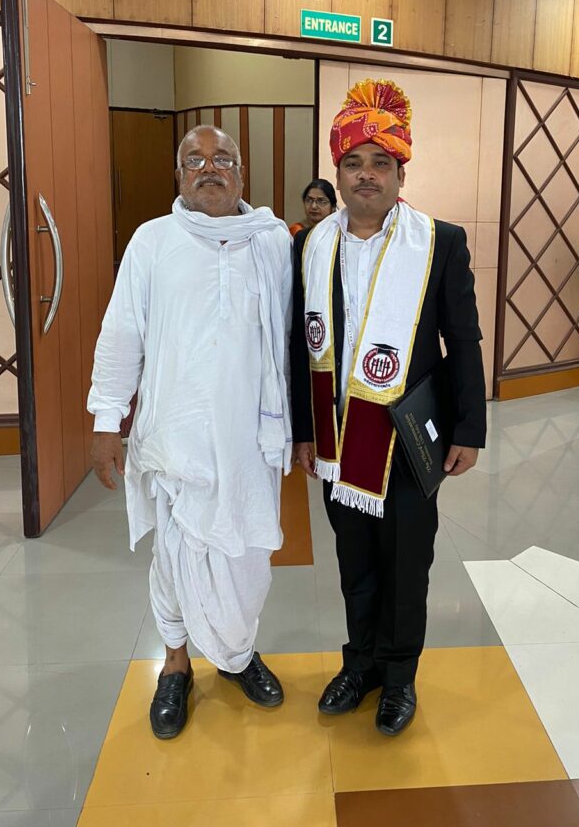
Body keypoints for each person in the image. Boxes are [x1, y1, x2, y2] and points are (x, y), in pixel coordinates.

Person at [290, 80, 486, 737]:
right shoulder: (311, 245)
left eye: (380, 162)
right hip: (338, 436)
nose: (366, 174)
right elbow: (299, 344)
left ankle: (399, 675)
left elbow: (462, 339)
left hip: (406, 434)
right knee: (355, 561)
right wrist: (303, 430)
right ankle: (362, 664)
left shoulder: (439, 242)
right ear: (338, 172)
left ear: (402, 172)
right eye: (353, 162)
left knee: (406, 562)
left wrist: (469, 428)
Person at [88, 125, 292, 740]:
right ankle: (175, 663)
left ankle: (237, 654)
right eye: (195, 160)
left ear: (241, 173)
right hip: (175, 439)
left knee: (247, 557)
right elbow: (121, 334)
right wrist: (107, 421)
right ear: (178, 175)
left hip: (250, 443)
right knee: (175, 556)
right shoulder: (153, 241)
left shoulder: (272, 241)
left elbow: (296, 338)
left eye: (222, 158)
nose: (209, 168)